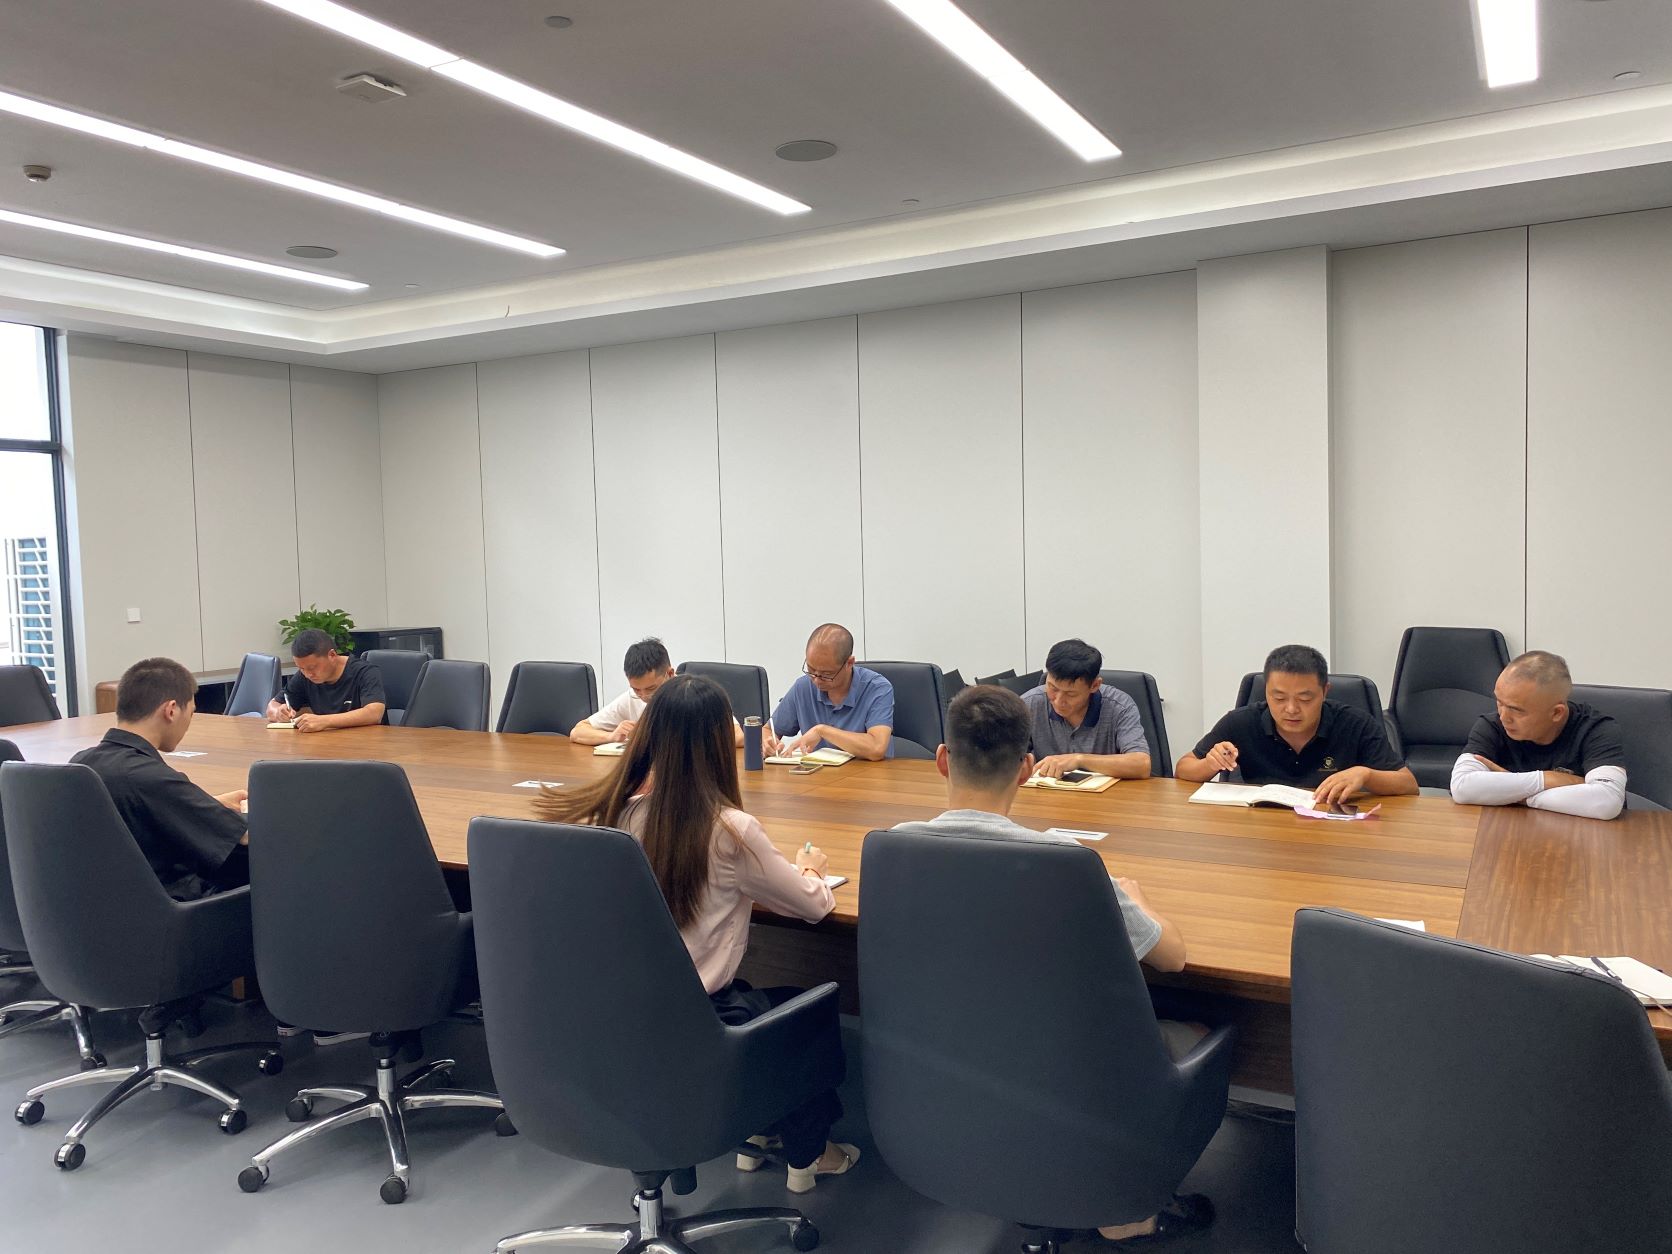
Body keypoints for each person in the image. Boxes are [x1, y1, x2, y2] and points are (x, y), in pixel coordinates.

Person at [889, 685, 1210, 1246]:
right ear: (1026, 768)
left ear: (942, 759)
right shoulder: (1067, 864)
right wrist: (1140, 900)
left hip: (944, 1067)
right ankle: (1125, 1207)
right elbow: (1173, 957)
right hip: (1069, 1073)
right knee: (1199, 1030)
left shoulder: (893, 848)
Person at [535, 673, 858, 1191]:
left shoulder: (617, 815)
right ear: (718, 745)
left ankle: (755, 1132)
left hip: (619, 1018)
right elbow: (813, 906)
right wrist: (812, 869)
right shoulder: (730, 829)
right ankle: (809, 1153)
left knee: (756, 999)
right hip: (699, 1025)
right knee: (807, 1014)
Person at [71, 656, 248, 900]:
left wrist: (209, 805)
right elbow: (243, 837)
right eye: (191, 712)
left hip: (101, 905)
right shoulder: (150, 778)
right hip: (175, 909)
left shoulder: (81, 764)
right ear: (171, 710)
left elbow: (137, 816)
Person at [1177, 645, 1416, 804]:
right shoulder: (1241, 722)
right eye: (1279, 698)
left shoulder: (1355, 724)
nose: (1291, 709)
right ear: (1266, 691)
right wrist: (1209, 764)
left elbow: (1408, 784)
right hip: (1261, 833)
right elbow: (1183, 768)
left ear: (1325, 691)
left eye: (1305, 699)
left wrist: (1366, 775)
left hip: (1333, 833)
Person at [1450, 650, 1626, 819]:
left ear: (1556, 713)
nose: (1503, 717)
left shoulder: (1596, 729)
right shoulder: (1492, 725)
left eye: (1516, 710)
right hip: (1511, 829)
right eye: (1499, 702)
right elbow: (1462, 787)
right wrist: (1547, 779)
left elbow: (1606, 802)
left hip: (1584, 834)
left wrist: (1514, 795)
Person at [568, 638, 741, 747]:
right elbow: (578, 732)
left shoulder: (692, 694)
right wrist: (611, 736)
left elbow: (738, 737)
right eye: (637, 689)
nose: (644, 697)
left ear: (670, 674)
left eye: (651, 689)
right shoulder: (631, 698)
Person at [1021, 638, 1151, 779]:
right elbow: (1006, 760)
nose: (1058, 701)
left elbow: (1142, 765)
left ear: (1095, 685)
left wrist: (1079, 759)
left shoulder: (1119, 706)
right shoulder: (1028, 704)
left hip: (1108, 792)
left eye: (1071, 694)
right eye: (1053, 688)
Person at [764, 623, 894, 760]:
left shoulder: (877, 688)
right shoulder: (803, 687)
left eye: (826, 674)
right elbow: (767, 730)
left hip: (867, 772)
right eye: (811, 670)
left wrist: (822, 731)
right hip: (817, 771)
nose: (816, 680)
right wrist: (769, 743)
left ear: (849, 663)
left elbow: (876, 748)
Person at [266, 629, 386, 732]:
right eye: (301, 668)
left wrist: (324, 721)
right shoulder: (304, 676)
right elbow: (272, 706)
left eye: (312, 667)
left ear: (332, 655)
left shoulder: (365, 671)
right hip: (327, 742)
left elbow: (374, 713)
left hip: (368, 742)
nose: (308, 674)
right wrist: (278, 713)